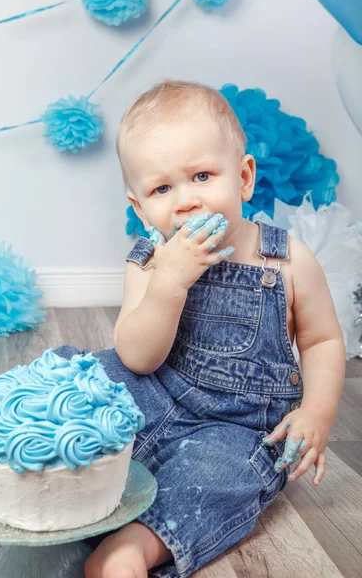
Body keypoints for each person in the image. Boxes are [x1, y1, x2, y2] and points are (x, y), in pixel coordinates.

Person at [55, 79, 345, 578]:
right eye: (163, 188)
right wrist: (170, 278)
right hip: (154, 391)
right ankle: (42, 477)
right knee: (81, 378)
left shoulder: (287, 260)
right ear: (140, 207)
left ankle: (133, 548)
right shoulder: (148, 262)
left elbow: (322, 340)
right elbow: (137, 357)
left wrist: (316, 412)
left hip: (236, 429)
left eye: (203, 175)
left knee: (216, 481)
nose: (186, 201)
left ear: (245, 177)